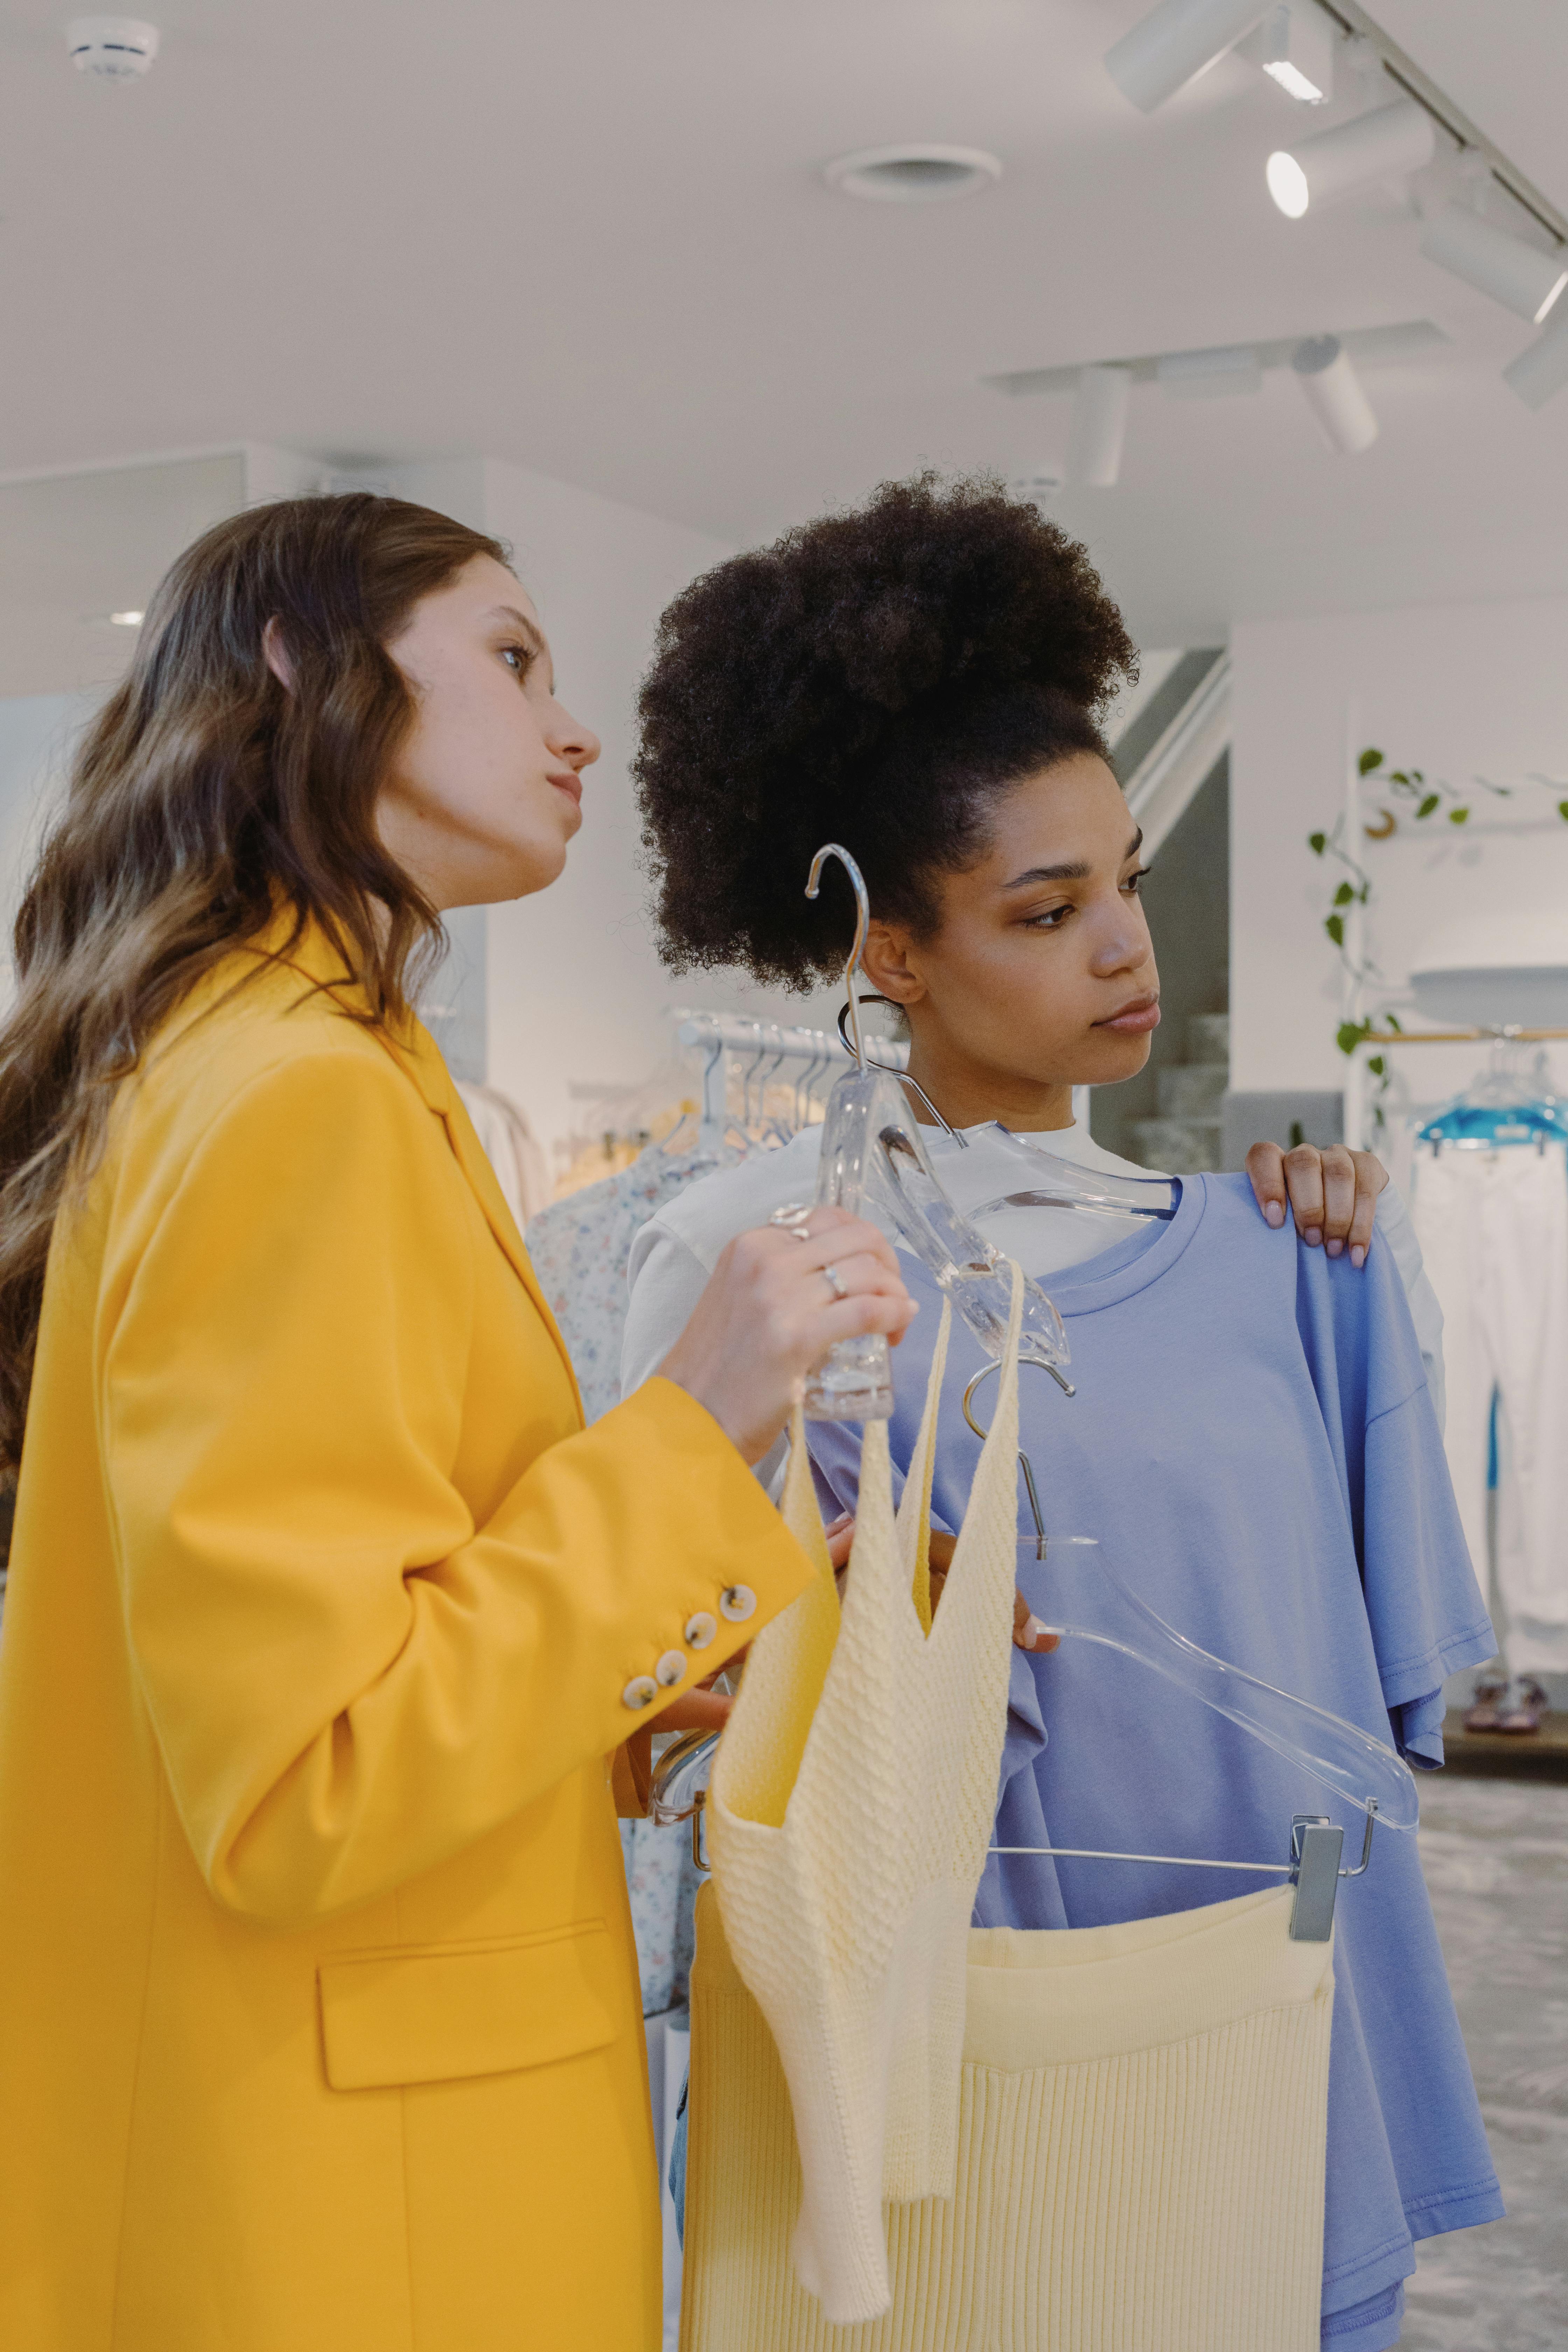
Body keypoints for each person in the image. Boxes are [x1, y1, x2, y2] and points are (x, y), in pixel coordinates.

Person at [0, 493, 915, 2352]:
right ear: (300, 668)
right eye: (511, 658)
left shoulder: (302, 1064)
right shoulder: (294, 1101)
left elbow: (346, 1642)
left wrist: (630, 1695)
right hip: (353, 2215)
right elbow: (305, 1779)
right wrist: (691, 1425)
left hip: (318, 2151)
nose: (573, 729)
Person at [622, 476, 1500, 2352]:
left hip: (1285, 2043)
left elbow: (1387, 1719)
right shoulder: (784, 1292)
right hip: (976, 2090)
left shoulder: (1307, 1262)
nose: (1127, 951)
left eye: (1130, 888)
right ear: (891, 954)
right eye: (1049, 907)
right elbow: (672, 1722)